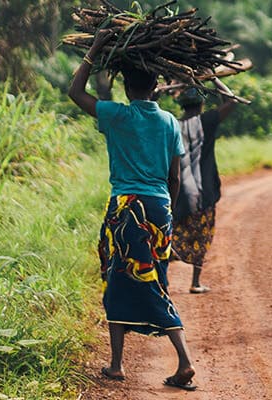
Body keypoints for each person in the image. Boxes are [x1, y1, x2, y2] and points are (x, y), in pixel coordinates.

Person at [68, 32, 197, 391]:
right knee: (145, 278)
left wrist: (93, 50)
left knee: (127, 280)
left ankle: (182, 362)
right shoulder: (170, 122)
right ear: (156, 85)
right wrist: (165, 211)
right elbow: (175, 176)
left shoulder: (117, 116)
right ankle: (116, 364)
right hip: (159, 209)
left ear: (126, 87)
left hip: (127, 209)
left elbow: (75, 93)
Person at [171, 82, 239, 294]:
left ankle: (163, 282)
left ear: (182, 105)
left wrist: (156, 91)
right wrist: (215, 79)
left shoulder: (172, 124)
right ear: (201, 103)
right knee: (202, 234)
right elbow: (231, 101)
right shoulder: (207, 121)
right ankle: (195, 282)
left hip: (178, 192)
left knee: (172, 234)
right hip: (203, 191)